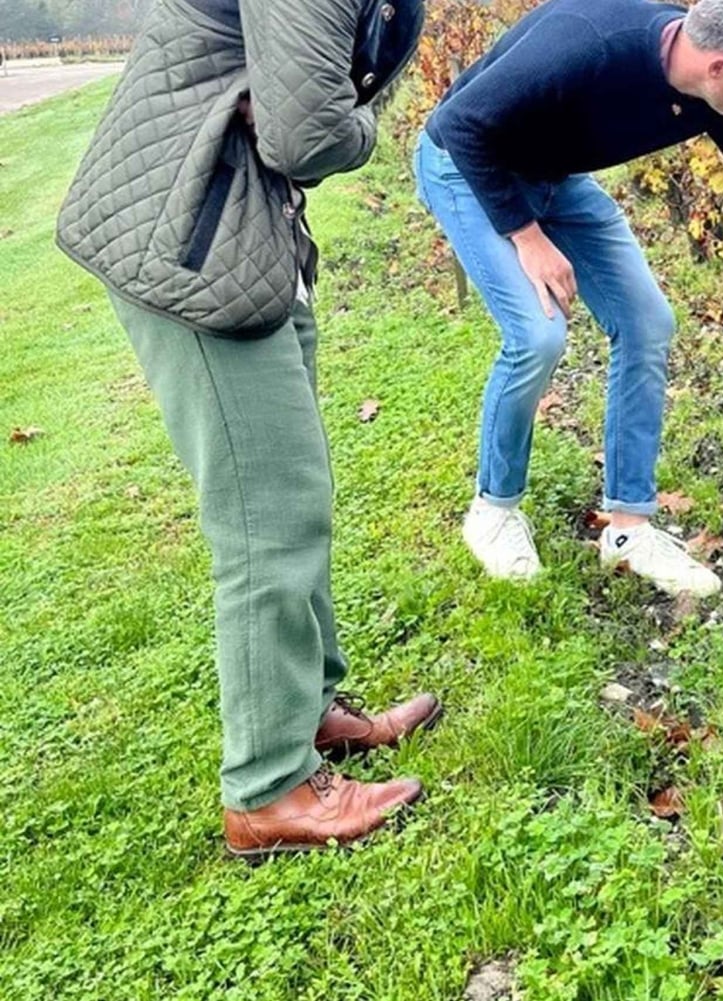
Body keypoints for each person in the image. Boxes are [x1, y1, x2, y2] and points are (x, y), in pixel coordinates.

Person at [55, 0, 439, 861]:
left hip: (240, 231)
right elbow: (307, 132)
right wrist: (357, 126)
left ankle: (309, 711)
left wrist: (319, 106)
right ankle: (268, 786)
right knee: (268, 517)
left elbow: (299, 107)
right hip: (193, 236)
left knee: (297, 490)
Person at [416, 0, 723, 598]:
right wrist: (527, 238)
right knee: (537, 335)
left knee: (648, 323)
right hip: (467, 167)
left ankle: (628, 529)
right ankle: (494, 511)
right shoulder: (588, 40)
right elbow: (462, 123)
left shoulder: (712, 89)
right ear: (718, 66)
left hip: (553, 178)